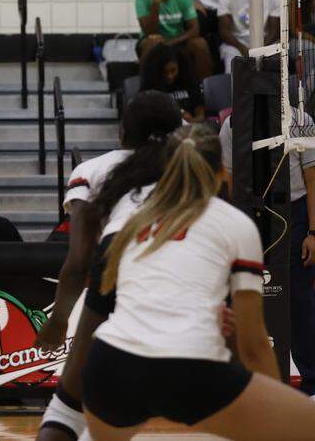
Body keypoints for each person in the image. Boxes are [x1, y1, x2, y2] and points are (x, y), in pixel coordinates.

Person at [82, 125, 315, 440]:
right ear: (221, 172)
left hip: (109, 365)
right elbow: (254, 344)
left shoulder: (131, 219)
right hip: (189, 366)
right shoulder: (234, 223)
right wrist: (273, 411)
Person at [34, 91, 183, 441]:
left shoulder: (92, 170)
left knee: (67, 408)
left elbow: (78, 261)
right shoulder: (194, 170)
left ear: (121, 131)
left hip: (118, 260)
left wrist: (57, 321)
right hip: (183, 271)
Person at [220, 110, 315, 395]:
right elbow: (227, 179)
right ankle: (245, 378)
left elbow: (312, 179)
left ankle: (311, 381)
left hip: (293, 211)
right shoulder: (234, 123)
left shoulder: (300, 119)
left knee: (297, 298)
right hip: (250, 212)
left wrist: (313, 233)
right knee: (245, 295)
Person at [135, 0, 213, 80]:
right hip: (152, 40)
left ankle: (204, 88)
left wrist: (170, 43)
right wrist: (156, 3)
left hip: (177, 40)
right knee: (151, 43)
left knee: (200, 44)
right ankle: (146, 87)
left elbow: (194, 30)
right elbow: (150, 32)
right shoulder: (142, 0)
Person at [217, 0, 282, 73]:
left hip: (266, 42)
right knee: (232, 59)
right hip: (237, 43)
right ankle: (233, 91)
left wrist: (258, 50)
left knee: (274, 59)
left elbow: (275, 31)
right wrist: (242, 48)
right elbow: (224, 30)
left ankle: (272, 91)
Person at [140, 43, 205, 122]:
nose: (169, 76)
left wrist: (192, 122)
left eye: (173, 70)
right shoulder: (149, 87)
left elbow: (201, 113)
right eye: (164, 72)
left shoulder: (189, 81)